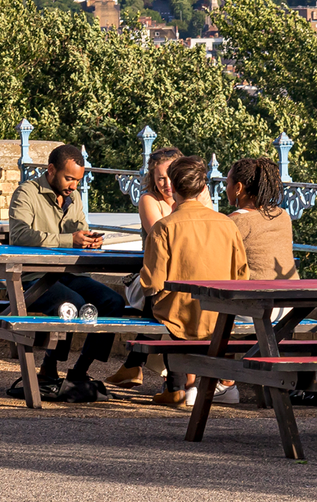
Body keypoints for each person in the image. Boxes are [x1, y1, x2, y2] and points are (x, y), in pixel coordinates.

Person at [7, 143, 125, 402]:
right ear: (51, 170)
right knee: (72, 303)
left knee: (113, 302)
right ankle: (49, 367)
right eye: (69, 178)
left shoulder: (75, 198)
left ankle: (80, 371)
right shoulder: (26, 193)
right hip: (32, 278)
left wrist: (90, 240)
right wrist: (69, 240)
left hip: (70, 274)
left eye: (78, 180)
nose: (74, 185)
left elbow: (80, 229)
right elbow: (20, 236)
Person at [141, 156, 249, 407]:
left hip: (179, 316)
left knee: (152, 307)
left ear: (174, 189)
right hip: (219, 316)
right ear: (203, 188)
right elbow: (242, 275)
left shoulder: (164, 227)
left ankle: (177, 386)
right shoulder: (227, 224)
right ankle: (186, 387)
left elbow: (152, 282)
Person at [108, 146, 212, 389]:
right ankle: (182, 382)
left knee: (175, 298)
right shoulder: (149, 200)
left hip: (181, 278)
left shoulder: (191, 201)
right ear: (152, 180)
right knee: (167, 298)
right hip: (149, 278)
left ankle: (136, 367)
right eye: (160, 178)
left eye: (171, 177)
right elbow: (163, 238)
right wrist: (187, 205)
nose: (166, 184)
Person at [226, 157, 296, 281]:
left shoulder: (234, 222)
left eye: (227, 183)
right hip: (292, 290)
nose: (226, 188)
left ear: (238, 188)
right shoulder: (282, 215)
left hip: (258, 294)